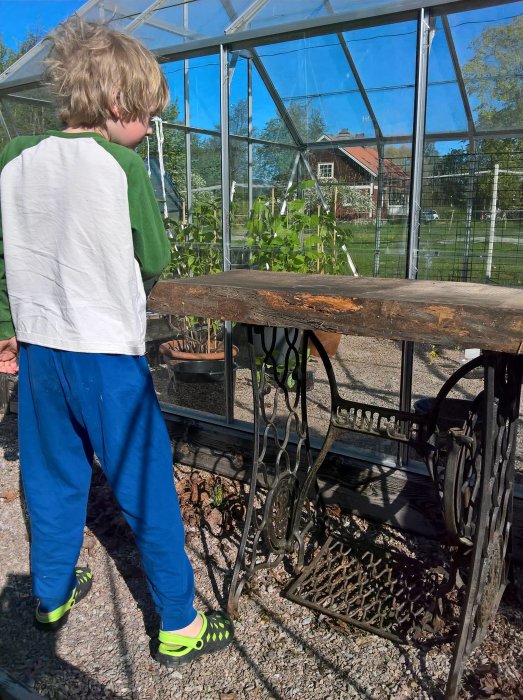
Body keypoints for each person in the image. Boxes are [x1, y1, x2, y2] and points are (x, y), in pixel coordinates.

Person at [0, 17, 233, 667]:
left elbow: (0, 252)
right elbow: (151, 256)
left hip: (42, 352)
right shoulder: (122, 165)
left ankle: (48, 596)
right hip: (108, 356)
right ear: (116, 105)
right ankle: (180, 624)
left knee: (49, 480)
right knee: (145, 485)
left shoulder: (14, 157)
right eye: (148, 116)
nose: (152, 129)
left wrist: (3, 328)